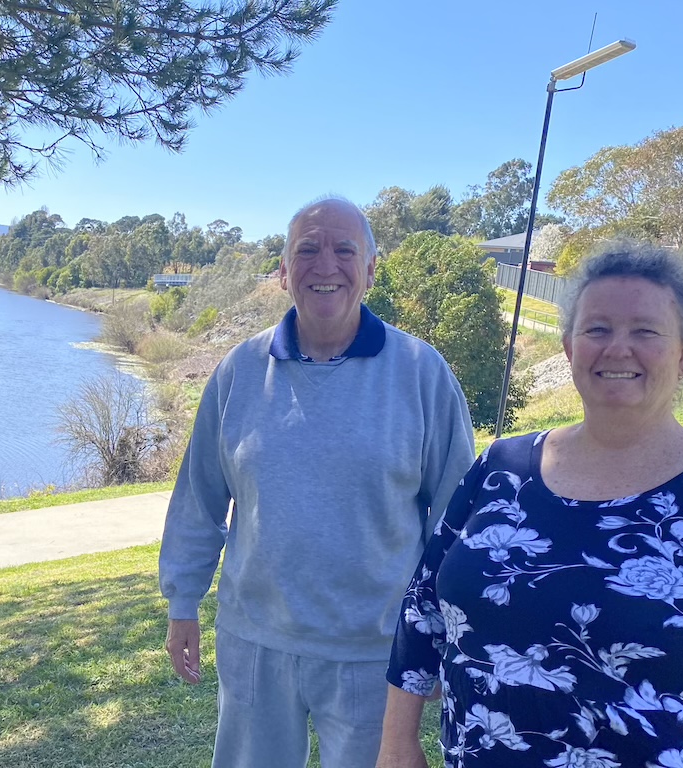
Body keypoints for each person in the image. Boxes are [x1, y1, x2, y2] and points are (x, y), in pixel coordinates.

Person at [378, 240, 683, 768]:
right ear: (570, 346)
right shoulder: (500, 468)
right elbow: (422, 609)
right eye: (597, 329)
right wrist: (397, 746)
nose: (618, 348)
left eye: (645, 330)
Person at [159, 196, 476, 768]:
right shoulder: (239, 371)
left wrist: (439, 641)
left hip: (375, 653)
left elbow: (453, 525)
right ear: (284, 272)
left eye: (344, 249)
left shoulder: (423, 374)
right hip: (255, 642)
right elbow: (198, 499)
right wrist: (183, 602)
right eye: (307, 250)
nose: (324, 264)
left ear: (372, 269)